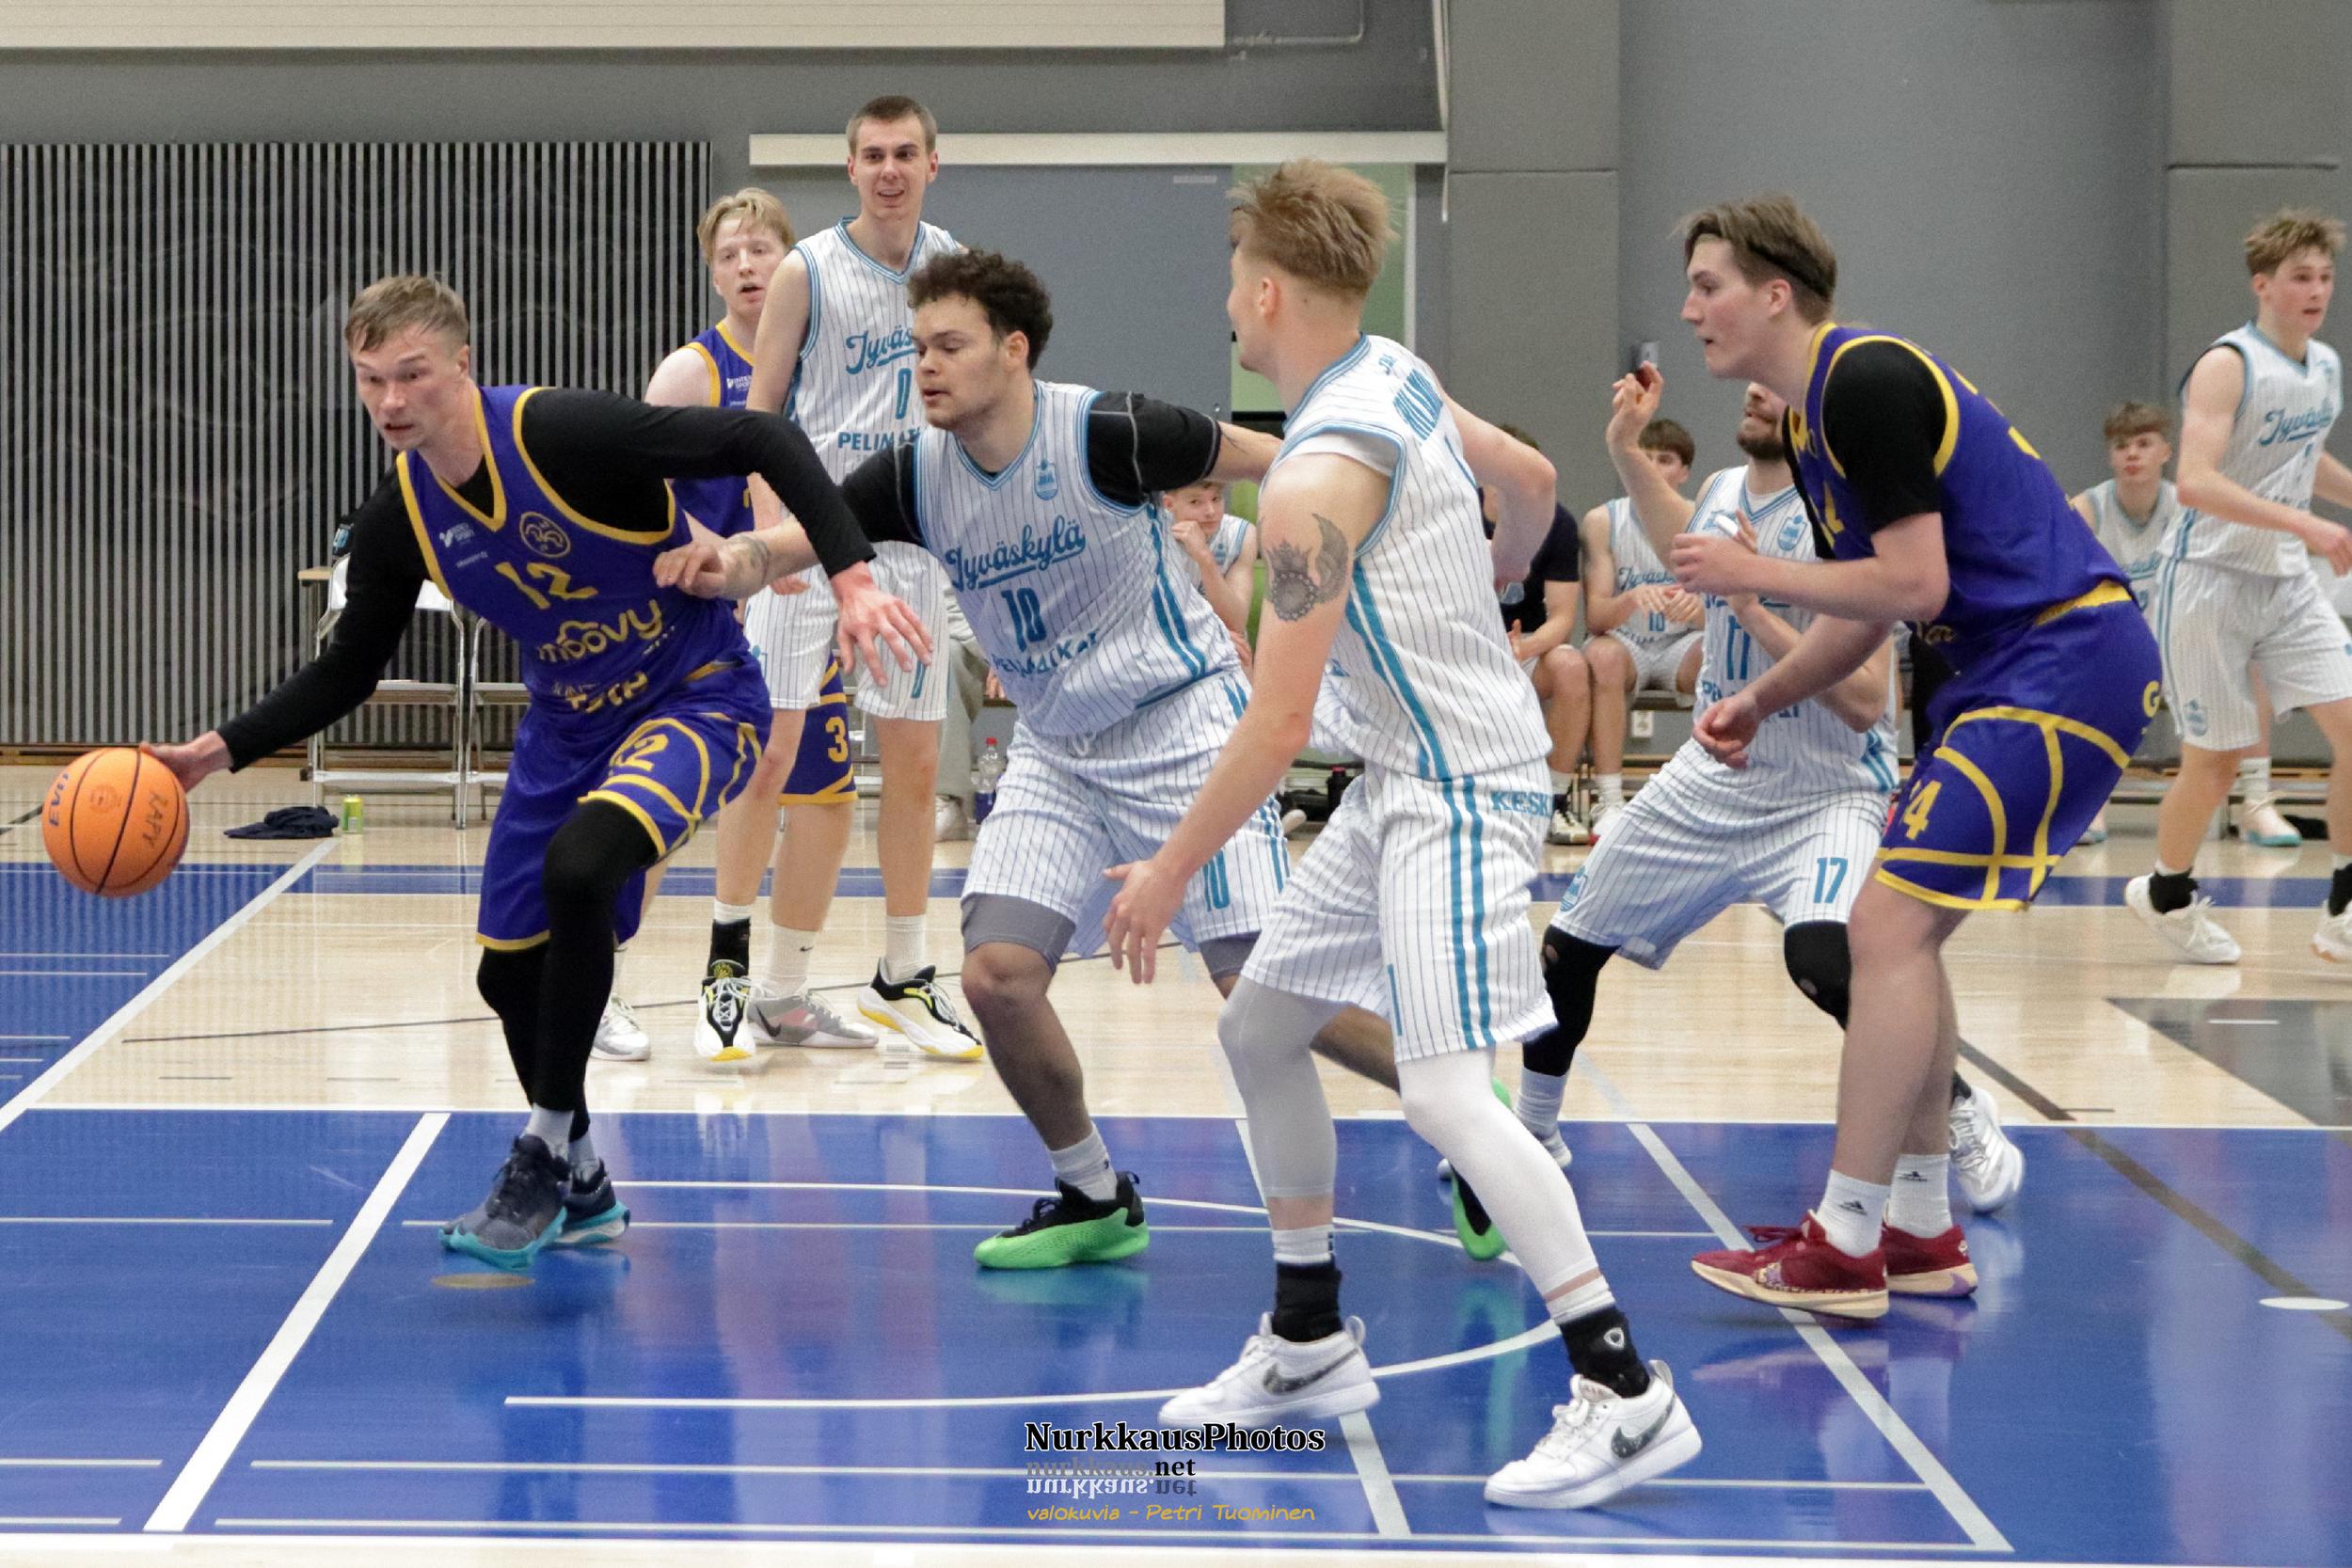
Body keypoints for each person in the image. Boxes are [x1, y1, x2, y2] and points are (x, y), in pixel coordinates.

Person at [1103, 162, 1701, 1512]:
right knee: (1260, 1029)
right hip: (1399, 776)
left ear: (1267, 291)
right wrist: (1494, 581)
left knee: (1443, 1094)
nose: (1227, 304)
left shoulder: (1312, 485)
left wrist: (1168, 870)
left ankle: (1622, 1387)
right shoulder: (1396, 372)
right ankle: (1310, 1334)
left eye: (1232, 280)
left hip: (1459, 788)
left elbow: (1276, 720)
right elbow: (1531, 478)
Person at [145, 275, 925, 1269]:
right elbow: (349, 668)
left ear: (462, 364)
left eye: (412, 374)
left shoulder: (560, 434)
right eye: (370, 379)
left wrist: (850, 578)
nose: (391, 400)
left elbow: (759, 437)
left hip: (693, 693)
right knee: (507, 971)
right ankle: (586, 1182)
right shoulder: (400, 517)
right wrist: (213, 752)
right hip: (564, 730)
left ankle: (539, 1151)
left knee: (580, 868)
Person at [672, 248, 1347, 1269]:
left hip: (1180, 722)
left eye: (949, 346)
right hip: (1057, 745)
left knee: (1259, 986)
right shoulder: (912, 474)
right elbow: (789, 548)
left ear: (1014, 349)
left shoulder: (1114, 431)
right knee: (995, 976)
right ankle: (1093, 1193)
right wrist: (724, 563)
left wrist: (1350, 559)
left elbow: (1289, 466)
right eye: (917, 348)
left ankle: (1456, 1106)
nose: (926, 366)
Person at [1667, 194, 2158, 1319]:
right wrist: (1759, 697)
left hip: (2058, 658)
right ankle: (1920, 1227)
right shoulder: (1810, 422)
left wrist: (1751, 574)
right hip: (2004, 670)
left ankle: (1844, 1239)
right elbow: (1873, 605)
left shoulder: (1865, 380)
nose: (1689, 309)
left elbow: (1915, 583)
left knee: (1880, 929)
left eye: (1707, 285)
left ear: (1774, 293)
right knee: (1908, 933)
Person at [1525, 372, 2023, 1229]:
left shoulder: (1848, 517)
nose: (1753, 392)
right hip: (1714, 775)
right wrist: (1623, 447)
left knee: (1830, 962)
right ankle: (1532, 1134)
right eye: (1748, 385)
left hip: (1826, 788)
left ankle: (1957, 1104)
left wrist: (1751, 605)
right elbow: (1682, 534)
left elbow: (1865, 701)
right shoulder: (1724, 490)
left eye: (1772, 383)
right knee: (1567, 948)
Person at [599, 187, 878, 1063]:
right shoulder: (693, 372)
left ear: (792, 263)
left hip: (800, 605)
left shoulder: (825, 361)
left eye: (763, 250)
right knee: (666, 804)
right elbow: (636, 497)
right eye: (730, 254)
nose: (749, 266)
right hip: (705, 617)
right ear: (712, 272)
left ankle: (783, 992)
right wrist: (732, 559)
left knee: (828, 797)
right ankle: (597, 984)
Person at [736, 93, 979, 1059]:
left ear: (932, 164)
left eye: (904, 153)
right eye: (872, 154)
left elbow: (976, 410)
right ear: (850, 167)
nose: (888, 169)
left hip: (910, 542)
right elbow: (759, 414)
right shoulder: (807, 270)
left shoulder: (956, 270)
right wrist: (769, 538)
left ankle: (902, 974)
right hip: (808, 541)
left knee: (914, 767)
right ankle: (743, 978)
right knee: (768, 761)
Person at [2128, 210, 2352, 965]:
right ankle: (2166, 893)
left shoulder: (2324, 365)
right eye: (2300, 277)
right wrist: (2306, 523)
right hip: (2209, 580)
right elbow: (2194, 481)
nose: (2316, 290)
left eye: (2325, 277)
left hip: (2284, 582)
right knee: (2216, 762)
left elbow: (2305, 456)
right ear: (2263, 284)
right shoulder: (2228, 364)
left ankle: (2345, 907)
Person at [1581, 420, 1700, 836]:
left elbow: (1731, 611)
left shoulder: (1701, 521)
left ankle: (1707, 792)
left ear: (1684, 473)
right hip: (1626, 640)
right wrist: (1630, 599)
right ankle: (1609, 799)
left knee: (1721, 653)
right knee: (1602, 657)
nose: (1652, 468)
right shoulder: (1603, 521)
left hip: (1681, 643)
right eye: (1645, 458)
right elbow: (1596, 618)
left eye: (1664, 460)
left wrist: (1698, 609)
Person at [1487, 424, 1594, 846]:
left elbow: (1563, 617)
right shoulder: (1453, 514)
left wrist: (1524, 646)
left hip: (1523, 645)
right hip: (1461, 647)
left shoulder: (1557, 523)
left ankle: (1552, 800)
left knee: (1571, 666)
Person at [1162, 476, 1259, 669]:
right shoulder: (1153, 533)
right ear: (1169, 504)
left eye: (1216, 499)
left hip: (1225, 636)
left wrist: (1204, 557)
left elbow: (1236, 622)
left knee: (1239, 653)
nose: (1210, 511)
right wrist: (1206, 635)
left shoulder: (1241, 533)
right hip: (1168, 639)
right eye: (1195, 502)